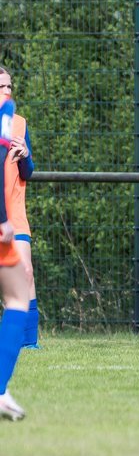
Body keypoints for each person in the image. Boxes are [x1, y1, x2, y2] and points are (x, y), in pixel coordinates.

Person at [0, 69, 40, 350]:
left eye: (9, 85)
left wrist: (25, 156)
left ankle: (30, 343)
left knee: (25, 273)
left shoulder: (18, 123)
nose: (6, 90)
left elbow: (27, 172)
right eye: (1, 86)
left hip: (13, 213)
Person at [0, 95, 31, 419]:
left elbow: (27, 170)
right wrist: (2, 218)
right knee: (18, 296)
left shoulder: (18, 122)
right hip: (2, 223)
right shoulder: (5, 112)